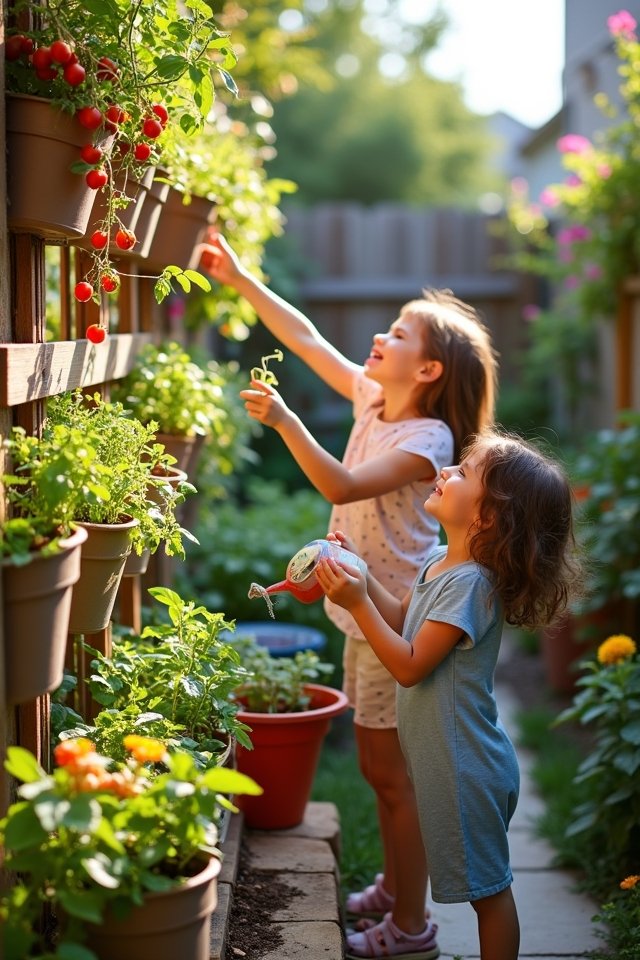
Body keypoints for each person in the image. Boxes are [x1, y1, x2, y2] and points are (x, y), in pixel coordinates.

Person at [200, 233, 498, 958]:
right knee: (377, 770)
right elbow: (303, 337)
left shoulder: (427, 438)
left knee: (391, 778)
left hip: (392, 621)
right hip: (364, 613)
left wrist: (284, 421)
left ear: (427, 369)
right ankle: (399, 891)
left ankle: (410, 927)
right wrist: (240, 279)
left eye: (397, 333)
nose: (378, 336)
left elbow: (339, 485)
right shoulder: (374, 396)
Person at [316, 431, 583, 960]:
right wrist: (364, 581)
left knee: (490, 895)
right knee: (484, 889)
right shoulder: (441, 562)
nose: (445, 472)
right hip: (450, 760)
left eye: (463, 474)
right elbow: (408, 627)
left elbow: (409, 666)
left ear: (489, 519)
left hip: (467, 767)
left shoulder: (473, 586)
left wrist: (356, 604)